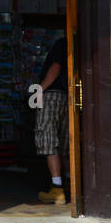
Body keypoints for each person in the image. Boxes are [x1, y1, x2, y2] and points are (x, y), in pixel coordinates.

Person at [33, 35, 69, 204]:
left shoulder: (62, 43)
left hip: (52, 96)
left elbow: (55, 66)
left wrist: (40, 89)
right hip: (68, 97)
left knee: (48, 140)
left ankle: (57, 189)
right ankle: (69, 185)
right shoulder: (79, 45)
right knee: (65, 144)